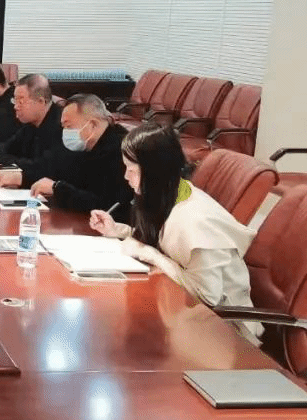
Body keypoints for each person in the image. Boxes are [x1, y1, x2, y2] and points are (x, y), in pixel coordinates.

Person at [89, 123, 256, 307]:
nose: (126, 176)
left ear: (154, 171)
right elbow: (164, 242)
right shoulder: (169, 192)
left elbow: (207, 297)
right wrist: (117, 230)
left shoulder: (195, 221)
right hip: (174, 303)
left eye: (132, 169)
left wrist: (152, 255)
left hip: (222, 320)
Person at [0, 94, 132, 215]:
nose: (66, 133)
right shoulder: (86, 145)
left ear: (92, 125)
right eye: (63, 127)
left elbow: (105, 206)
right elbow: (57, 169)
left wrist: (57, 189)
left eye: (69, 126)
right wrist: (22, 177)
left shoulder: (121, 151)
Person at [0, 74, 62, 174]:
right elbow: (9, 146)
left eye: (21, 101)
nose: (15, 107)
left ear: (41, 101)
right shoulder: (30, 123)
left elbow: (39, 168)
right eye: (15, 100)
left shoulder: (60, 125)